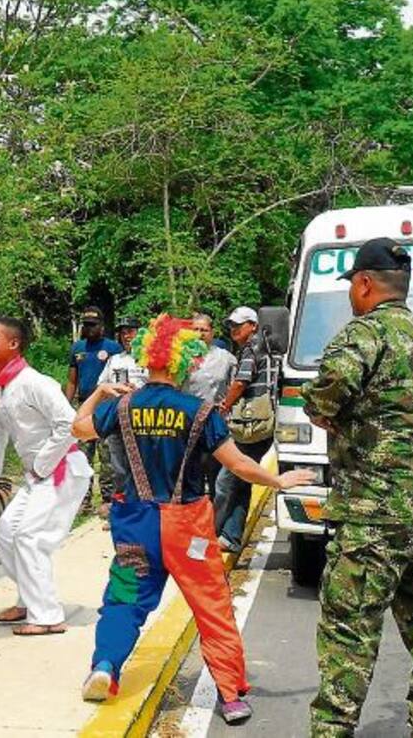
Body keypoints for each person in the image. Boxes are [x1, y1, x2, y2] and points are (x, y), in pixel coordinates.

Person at [72, 315, 314, 725]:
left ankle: (106, 667)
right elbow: (237, 464)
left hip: (135, 522)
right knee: (211, 606)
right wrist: (277, 478)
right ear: (188, 361)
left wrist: (97, 391)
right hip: (188, 526)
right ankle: (231, 694)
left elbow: (78, 428)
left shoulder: (123, 405)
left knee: (125, 598)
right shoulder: (199, 411)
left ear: (147, 357)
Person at [302, 238, 413, 738]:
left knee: (348, 632)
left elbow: (322, 399)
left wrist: (328, 415)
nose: (351, 293)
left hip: (372, 518)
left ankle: (333, 730)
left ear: (366, 283)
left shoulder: (363, 336)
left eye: (352, 284)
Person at [0, 317, 92, 636]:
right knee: (5, 535)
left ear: (13, 345)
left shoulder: (35, 382)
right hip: (38, 476)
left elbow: (69, 425)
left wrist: (42, 465)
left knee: (29, 537)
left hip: (61, 471)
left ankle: (47, 616)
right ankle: (29, 600)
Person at [214, 306, 275, 552]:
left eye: (239, 325)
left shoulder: (252, 349)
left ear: (253, 325)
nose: (233, 330)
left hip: (250, 426)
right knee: (242, 481)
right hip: (263, 425)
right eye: (231, 326)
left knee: (225, 481)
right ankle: (231, 536)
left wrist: (225, 405)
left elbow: (241, 382)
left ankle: (211, 531)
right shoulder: (268, 348)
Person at [66, 305, 122, 509]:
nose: (89, 329)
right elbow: (72, 380)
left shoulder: (113, 348)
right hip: (83, 407)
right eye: (86, 325)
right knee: (82, 455)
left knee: (107, 456)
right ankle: (83, 498)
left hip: (106, 408)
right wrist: (67, 405)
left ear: (102, 326)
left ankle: (107, 498)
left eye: (93, 325)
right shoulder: (77, 348)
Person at [95, 318, 148, 524]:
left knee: (144, 467)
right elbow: (102, 387)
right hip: (118, 421)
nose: (127, 336)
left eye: (131, 331)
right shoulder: (114, 360)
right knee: (119, 469)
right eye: (123, 332)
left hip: (145, 422)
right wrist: (113, 391)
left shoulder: (150, 359)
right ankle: (121, 513)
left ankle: (143, 511)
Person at [183, 313, 238, 499]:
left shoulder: (226, 358)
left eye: (204, 330)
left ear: (212, 333)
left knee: (216, 476)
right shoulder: (180, 358)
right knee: (191, 476)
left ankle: (215, 519)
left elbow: (235, 388)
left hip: (216, 423)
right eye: (195, 330)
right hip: (187, 424)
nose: (200, 334)